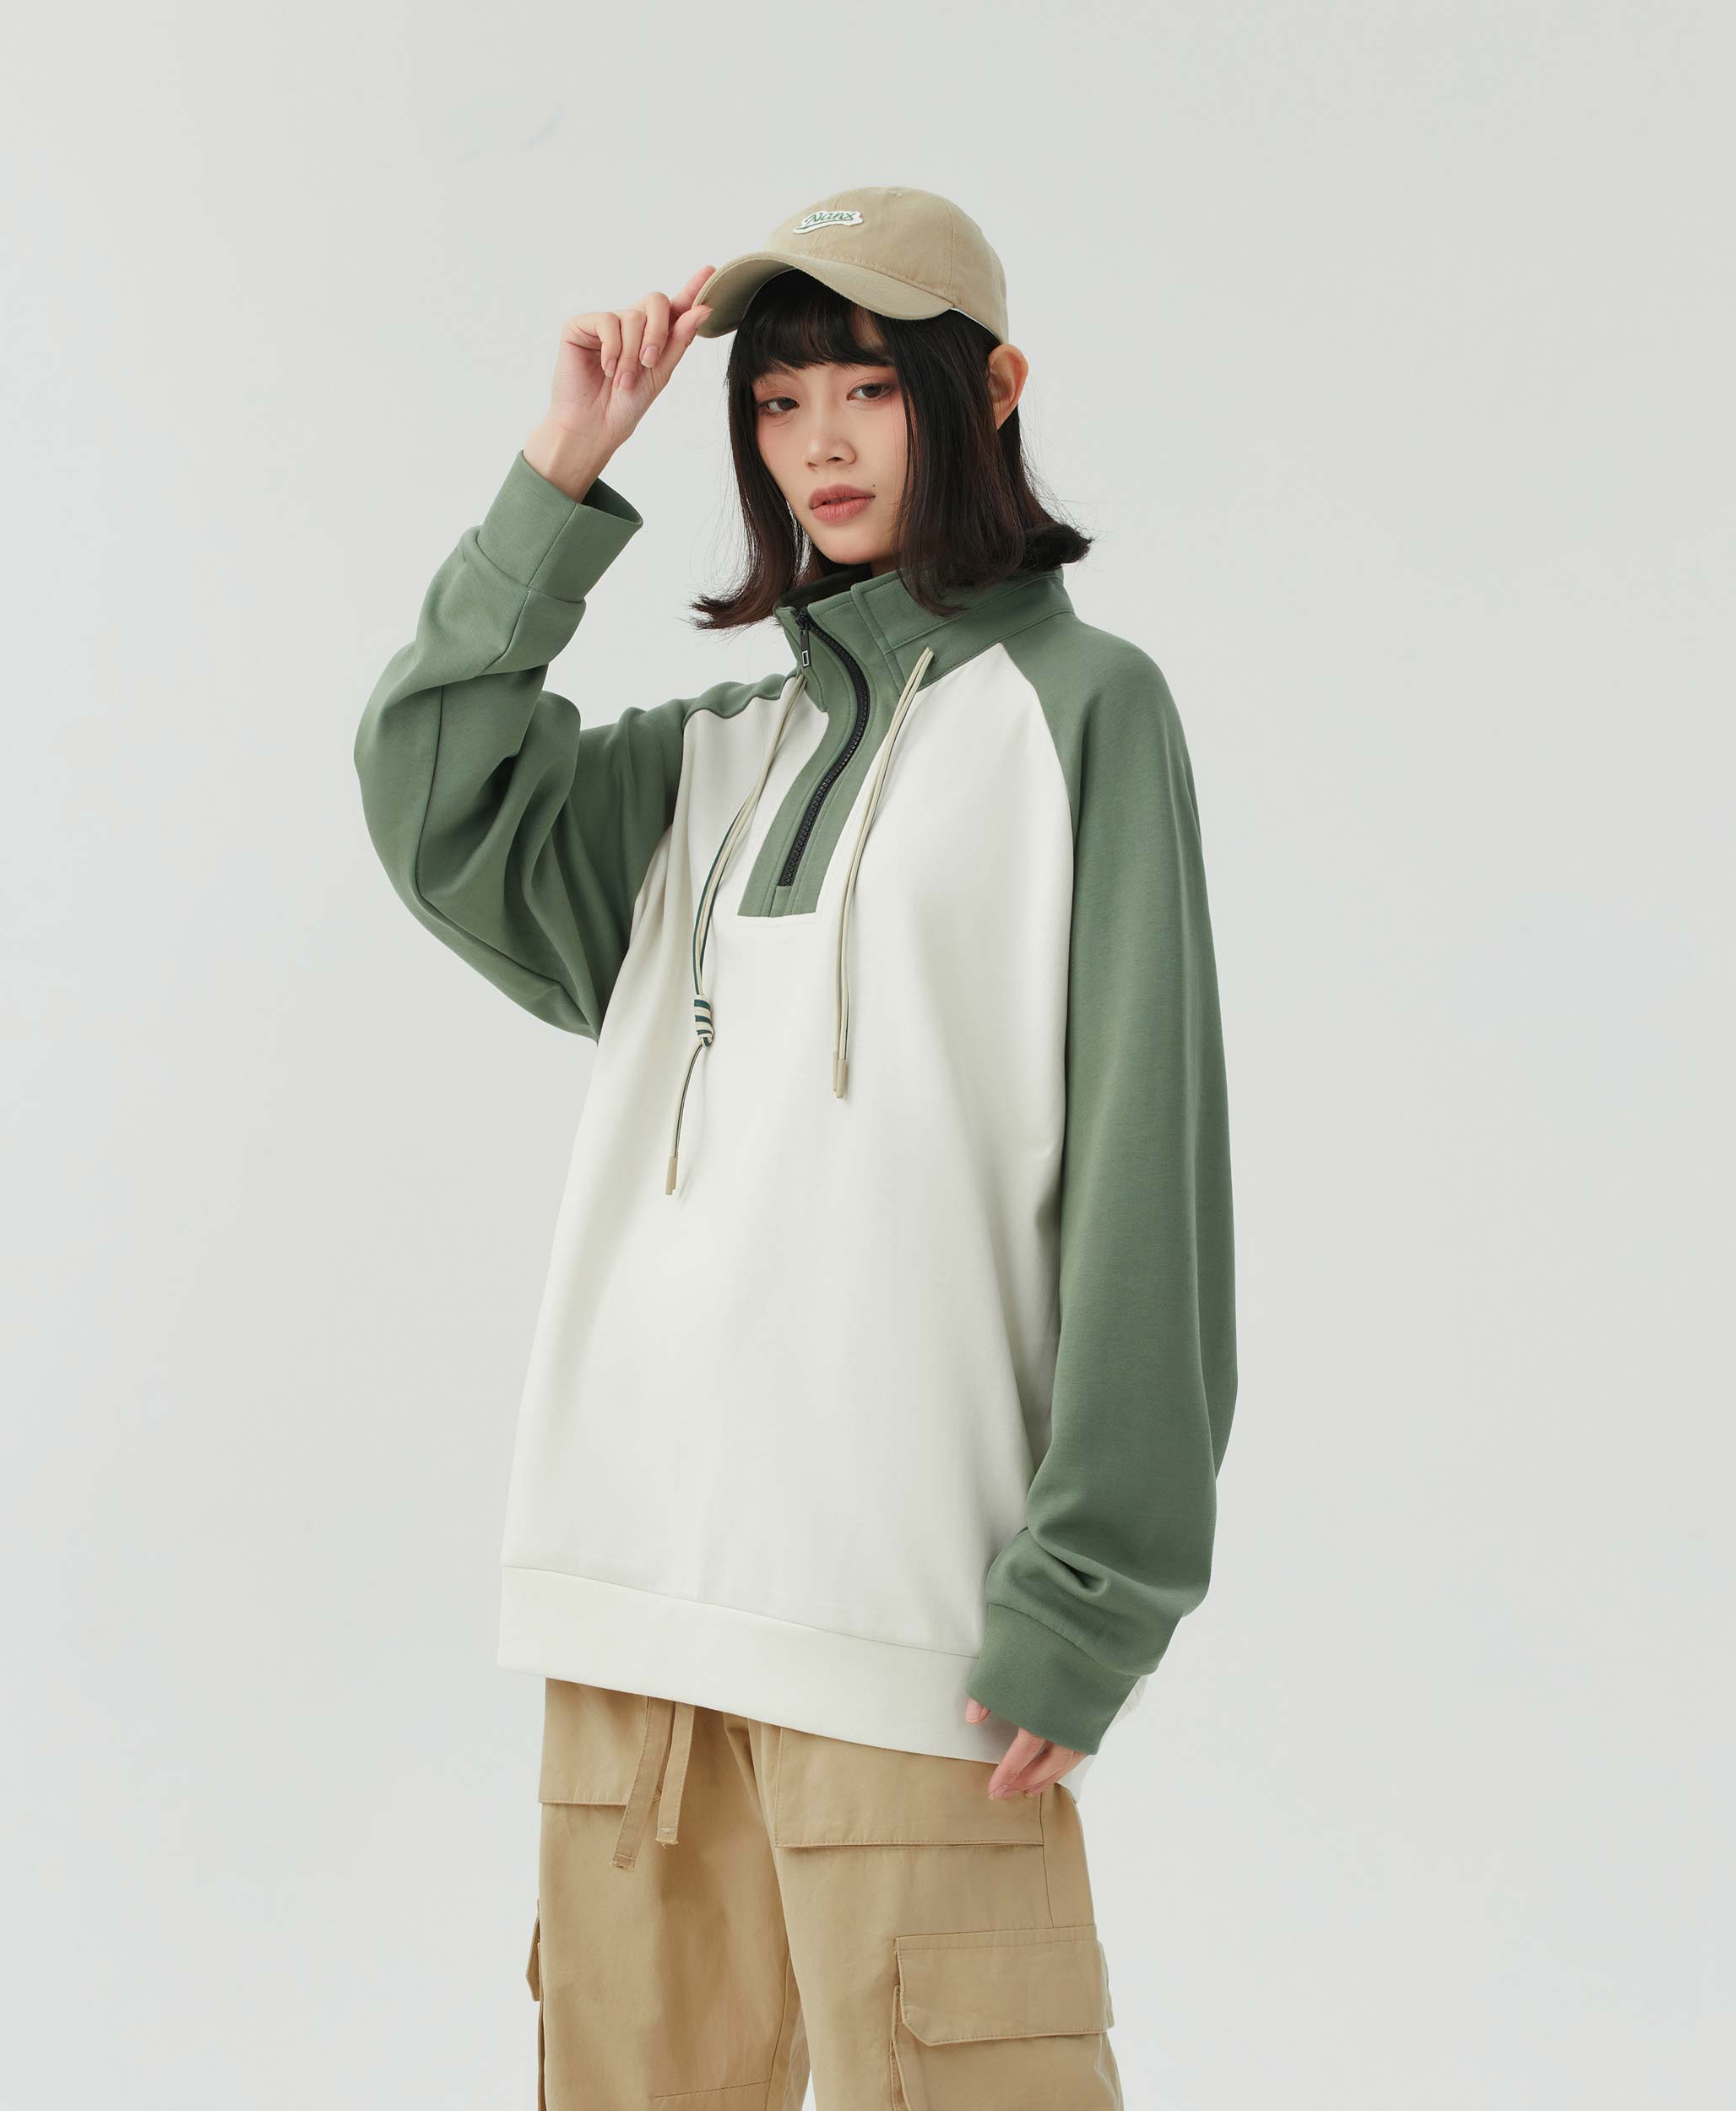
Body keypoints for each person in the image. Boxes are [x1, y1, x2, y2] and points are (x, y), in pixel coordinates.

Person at [352, 184, 1238, 2108]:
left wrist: (1094, 1589)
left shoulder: (1083, 716)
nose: (817, 443)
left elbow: (1148, 1174)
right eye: (774, 402)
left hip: (909, 1629)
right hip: (630, 1616)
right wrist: (559, 475)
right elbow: (431, 799)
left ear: (987, 393)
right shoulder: (714, 758)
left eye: (867, 390)